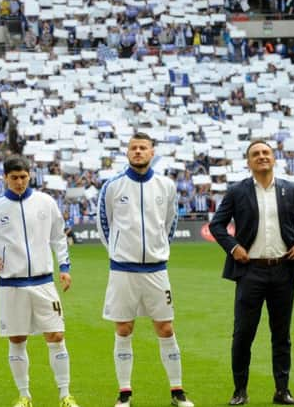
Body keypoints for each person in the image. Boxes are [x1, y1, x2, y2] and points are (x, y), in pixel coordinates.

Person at [209, 140, 294, 406]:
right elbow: (217, 225)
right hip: (250, 272)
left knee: (281, 335)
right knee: (243, 333)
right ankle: (239, 391)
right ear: (248, 162)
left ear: (274, 158)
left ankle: (282, 391)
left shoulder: (290, 189)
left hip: (283, 270)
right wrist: (233, 248)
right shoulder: (237, 191)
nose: (261, 157)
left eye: (265, 153)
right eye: (255, 154)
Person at [0, 154, 81, 407]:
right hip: (12, 285)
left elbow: (58, 236)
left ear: (30, 175)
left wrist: (64, 267)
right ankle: (24, 395)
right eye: (14, 178)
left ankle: (65, 394)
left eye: (23, 177)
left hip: (44, 282)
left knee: (56, 336)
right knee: (17, 339)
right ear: (5, 178)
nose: (19, 182)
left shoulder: (45, 202)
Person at [97, 133, 194, 407]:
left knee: (165, 328)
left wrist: (158, 248)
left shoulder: (166, 185)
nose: (138, 151)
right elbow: (105, 224)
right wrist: (118, 252)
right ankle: (124, 394)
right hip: (122, 270)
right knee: (124, 328)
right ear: (127, 153)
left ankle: (177, 392)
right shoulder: (112, 186)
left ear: (152, 152)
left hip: (156, 270)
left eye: (143, 148)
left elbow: (169, 224)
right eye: (133, 148)